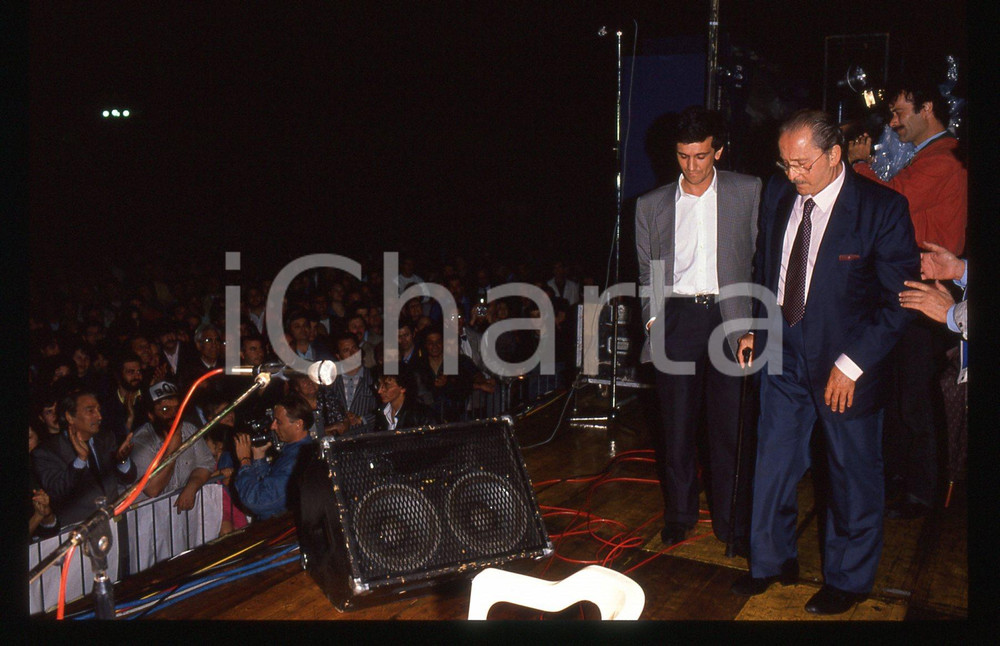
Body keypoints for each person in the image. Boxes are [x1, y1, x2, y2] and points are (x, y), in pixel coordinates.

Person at [730, 110, 918, 615]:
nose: (792, 175)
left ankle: (849, 580)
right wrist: (755, 322)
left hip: (846, 367)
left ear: (835, 154)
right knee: (772, 465)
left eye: (802, 164)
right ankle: (770, 563)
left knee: (850, 474)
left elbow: (899, 299)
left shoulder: (883, 208)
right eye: (785, 163)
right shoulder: (778, 194)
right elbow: (767, 267)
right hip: (783, 353)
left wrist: (853, 362)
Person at [634, 105, 761, 552]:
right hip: (678, 319)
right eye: (683, 156)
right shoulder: (650, 205)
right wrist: (653, 321)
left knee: (731, 429)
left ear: (718, 152)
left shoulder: (749, 192)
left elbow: (762, 261)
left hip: (731, 320)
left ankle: (731, 524)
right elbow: (648, 271)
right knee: (677, 428)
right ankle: (681, 515)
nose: (691, 166)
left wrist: (754, 327)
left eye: (701, 156)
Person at [847, 73, 967, 519]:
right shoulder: (925, 156)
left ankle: (920, 491)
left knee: (915, 392)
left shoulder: (943, 158)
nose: (893, 122)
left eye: (899, 113)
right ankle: (904, 482)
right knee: (901, 390)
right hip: (915, 283)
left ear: (928, 108)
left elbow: (892, 199)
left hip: (932, 286)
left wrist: (859, 163)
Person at [32, 388, 137, 526]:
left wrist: (122, 460)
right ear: (70, 417)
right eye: (90, 411)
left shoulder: (106, 438)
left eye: (98, 410)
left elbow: (129, 478)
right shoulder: (47, 452)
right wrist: (80, 461)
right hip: (79, 530)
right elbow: (56, 492)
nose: (99, 416)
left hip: (114, 521)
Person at [130, 381, 216, 509]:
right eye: (165, 410)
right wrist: (174, 446)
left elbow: (206, 464)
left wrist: (191, 487)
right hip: (147, 519)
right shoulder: (140, 442)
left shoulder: (189, 430)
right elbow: (153, 489)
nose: (173, 415)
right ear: (151, 415)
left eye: (177, 408)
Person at [233, 394, 315, 520]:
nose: (273, 426)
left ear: (298, 424)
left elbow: (259, 501)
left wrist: (245, 462)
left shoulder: (297, 460)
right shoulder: (293, 452)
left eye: (279, 422)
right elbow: (270, 485)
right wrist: (259, 458)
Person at [374, 367, 439, 432]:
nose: (379, 391)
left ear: (402, 388)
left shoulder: (421, 415)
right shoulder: (381, 413)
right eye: (379, 385)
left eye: (386, 386)